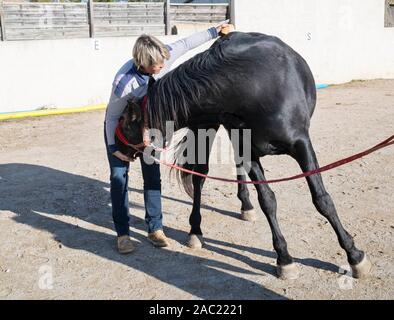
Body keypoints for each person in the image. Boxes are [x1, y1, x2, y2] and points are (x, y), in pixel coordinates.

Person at [104, 23, 233, 254]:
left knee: (152, 176)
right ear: (143, 63)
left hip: (148, 126)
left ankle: (155, 228)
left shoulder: (162, 58)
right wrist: (114, 148)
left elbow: (185, 43)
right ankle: (123, 234)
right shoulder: (124, 83)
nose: (163, 65)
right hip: (123, 129)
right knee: (118, 177)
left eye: (164, 60)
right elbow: (112, 117)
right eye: (157, 64)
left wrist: (216, 30)